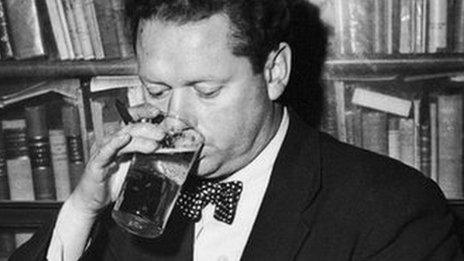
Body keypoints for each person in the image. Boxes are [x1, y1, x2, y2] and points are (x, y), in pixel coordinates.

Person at [10, 0, 463, 260]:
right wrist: (84, 207)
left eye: (206, 90)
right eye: (156, 90)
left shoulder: (393, 209)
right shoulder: (132, 197)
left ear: (274, 72)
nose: (175, 119)